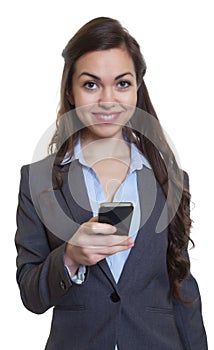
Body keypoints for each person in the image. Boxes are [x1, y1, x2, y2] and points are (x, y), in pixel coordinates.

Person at [15, 17, 208, 350]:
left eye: (122, 83)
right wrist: (71, 256)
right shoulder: (39, 181)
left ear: (137, 89)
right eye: (91, 84)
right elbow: (31, 294)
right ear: (71, 92)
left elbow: (182, 286)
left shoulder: (169, 179)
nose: (108, 99)